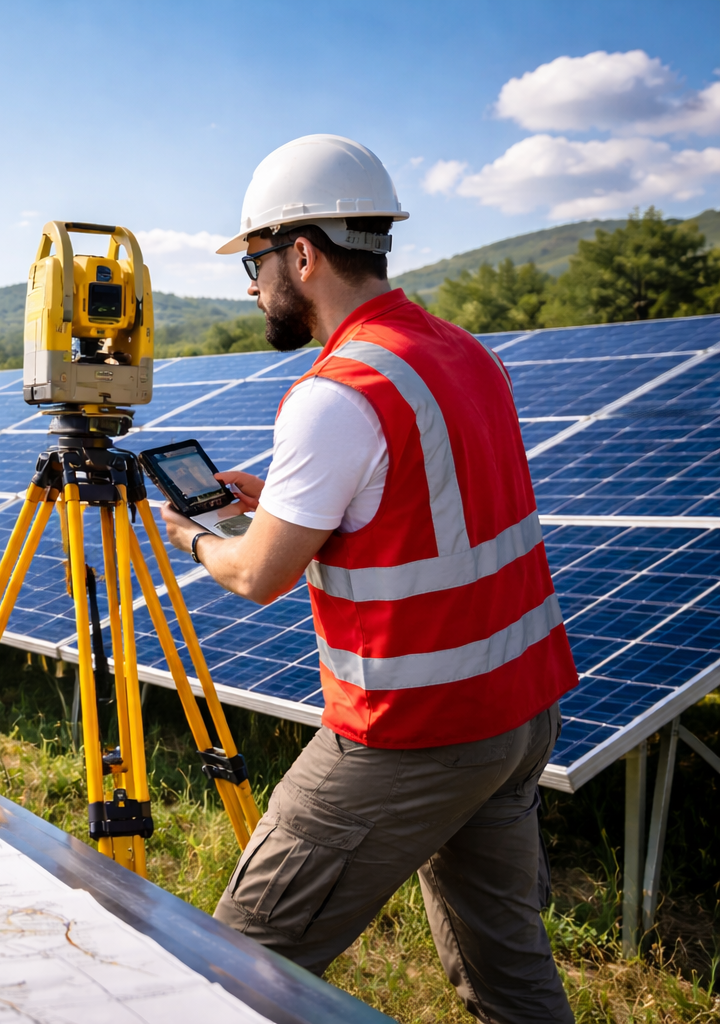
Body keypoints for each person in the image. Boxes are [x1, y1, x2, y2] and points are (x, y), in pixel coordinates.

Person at [160, 135, 579, 1024]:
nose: (252, 286)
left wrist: (191, 537)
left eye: (256, 262)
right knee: (510, 981)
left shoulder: (336, 392)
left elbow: (258, 573)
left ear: (303, 256)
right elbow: (428, 500)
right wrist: (287, 500)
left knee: (233, 969)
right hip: (517, 710)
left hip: (411, 730)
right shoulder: (463, 352)